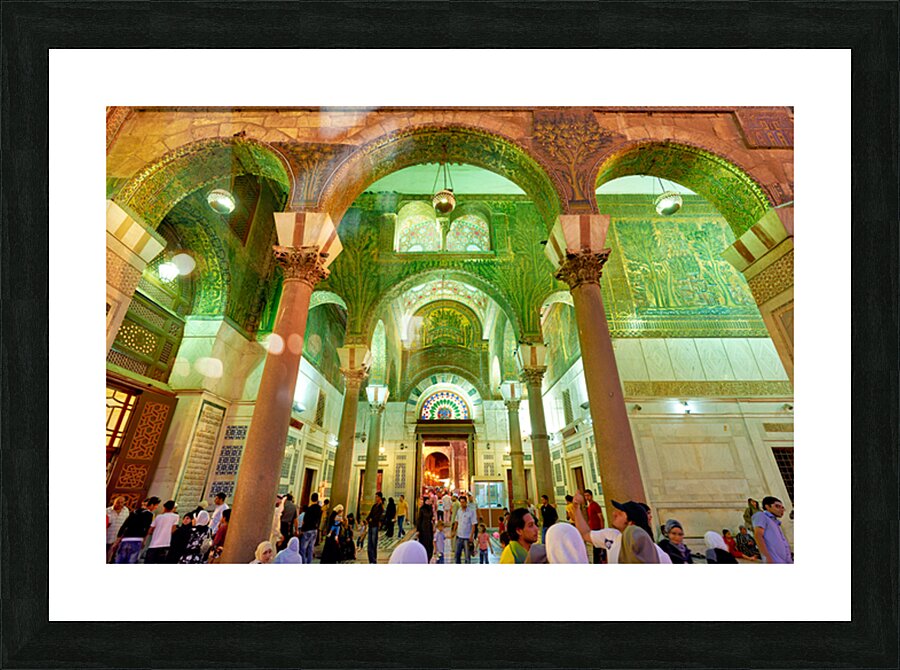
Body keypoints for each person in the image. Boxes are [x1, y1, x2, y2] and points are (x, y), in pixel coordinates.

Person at [572, 495, 671, 564]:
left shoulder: (658, 554)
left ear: (631, 523)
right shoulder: (611, 535)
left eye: (620, 513)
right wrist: (576, 508)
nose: (614, 514)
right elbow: (585, 533)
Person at [113, 496, 160, 564]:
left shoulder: (134, 512)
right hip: (137, 540)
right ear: (152, 505)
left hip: (125, 540)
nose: (156, 507)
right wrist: (144, 541)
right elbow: (147, 529)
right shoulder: (150, 514)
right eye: (156, 505)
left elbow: (124, 526)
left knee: (119, 561)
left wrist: (117, 541)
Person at [752, 496, 793, 563]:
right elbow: (758, 536)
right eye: (777, 506)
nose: (781, 509)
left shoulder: (775, 522)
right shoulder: (761, 515)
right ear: (767, 507)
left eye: (782, 507)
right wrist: (767, 558)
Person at [145, 499, 178, 564]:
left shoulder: (158, 517)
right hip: (165, 543)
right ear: (173, 508)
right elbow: (173, 529)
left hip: (154, 544)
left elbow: (150, 529)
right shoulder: (175, 516)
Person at [452, 492, 477, 564]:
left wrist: (471, 536)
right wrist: (454, 531)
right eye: (461, 502)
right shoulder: (459, 511)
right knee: (457, 555)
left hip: (467, 537)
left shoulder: (471, 512)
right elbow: (456, 522)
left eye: (463, 502)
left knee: (467, 556)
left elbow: (473, 525)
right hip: (459, 536)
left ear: (466, 502)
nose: (462, 504)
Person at [299, 492, 322, 564]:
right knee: (311, 548)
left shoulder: (309, 509)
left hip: (307, 529)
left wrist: (302, 530)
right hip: (315, 529)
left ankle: (304, 562)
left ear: (311, 499)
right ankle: (309, 562)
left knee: (303, 548)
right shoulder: (319, 509)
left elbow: (304, 521)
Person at [583, 489, 606, 564]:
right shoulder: (589, 506)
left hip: (597, 529)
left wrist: (602, 529)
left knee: (597, 547)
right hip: (593, 529)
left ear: (591, 496)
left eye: (588, 495)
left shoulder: (595, 505)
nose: (586, 497)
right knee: (595, 546)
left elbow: (601, 517)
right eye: (585, 496)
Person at [106, 496, 130, 562]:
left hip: (118, 539)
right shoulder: (107, 511)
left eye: (121, 502)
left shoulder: (126, 511)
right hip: (107, 537)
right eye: (117, 502)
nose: (119, 504)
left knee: (114, 558)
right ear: (114, 502)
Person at [366, 492, 385, 564]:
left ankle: (374, 559)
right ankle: (370, 559)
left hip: (375, 526)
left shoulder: (381, 507)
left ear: (380, 497)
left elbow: (379, 516)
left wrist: (373, 519)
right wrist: (367, 520)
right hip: (371, 526)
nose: (376, 498)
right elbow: (370, 514)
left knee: (374, 543)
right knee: (369, 543)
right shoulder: (374, 506)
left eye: (377, 497)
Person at [416, 495, 434, 561]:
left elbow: (432, 517)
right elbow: (419, 519)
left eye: (429, 500)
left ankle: (429, 557)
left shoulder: (430, 508)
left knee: (429, 542)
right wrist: (418, 530)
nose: (428, 502)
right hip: (423, 528)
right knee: (424, 542)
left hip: (429, 527)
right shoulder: (422, 509)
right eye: (427, 501)